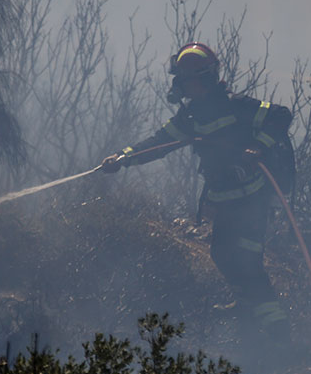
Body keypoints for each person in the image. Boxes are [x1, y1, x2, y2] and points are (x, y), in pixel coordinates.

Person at [101, 42, 295, 339]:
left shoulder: (238, 107)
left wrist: (258, 146)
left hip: (252, 200)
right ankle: (247, 310)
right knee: (221, 254)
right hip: (226, 201)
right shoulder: (191, 118)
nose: (180, 86)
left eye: (184, 80)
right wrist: (123, 157)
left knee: (247, 261)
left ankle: (279, 331)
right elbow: (158, 142)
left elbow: (281, 115)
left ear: (202, 79)